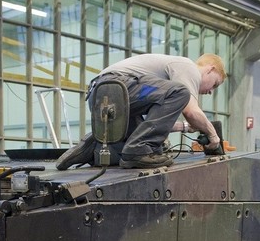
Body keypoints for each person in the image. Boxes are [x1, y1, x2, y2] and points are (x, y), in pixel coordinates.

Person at [56, 53, 227, 170]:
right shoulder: (188, 67)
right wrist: (213, 136)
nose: (211, 91)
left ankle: (93, 148)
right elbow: (191, 111)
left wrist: (184, 127)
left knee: (133, 150)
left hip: (101, 95)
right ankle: (137, 150)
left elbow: (152, 124)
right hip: (118, 86)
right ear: (210, 69)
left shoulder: (159, 85)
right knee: (180, 93)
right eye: (215, 84)